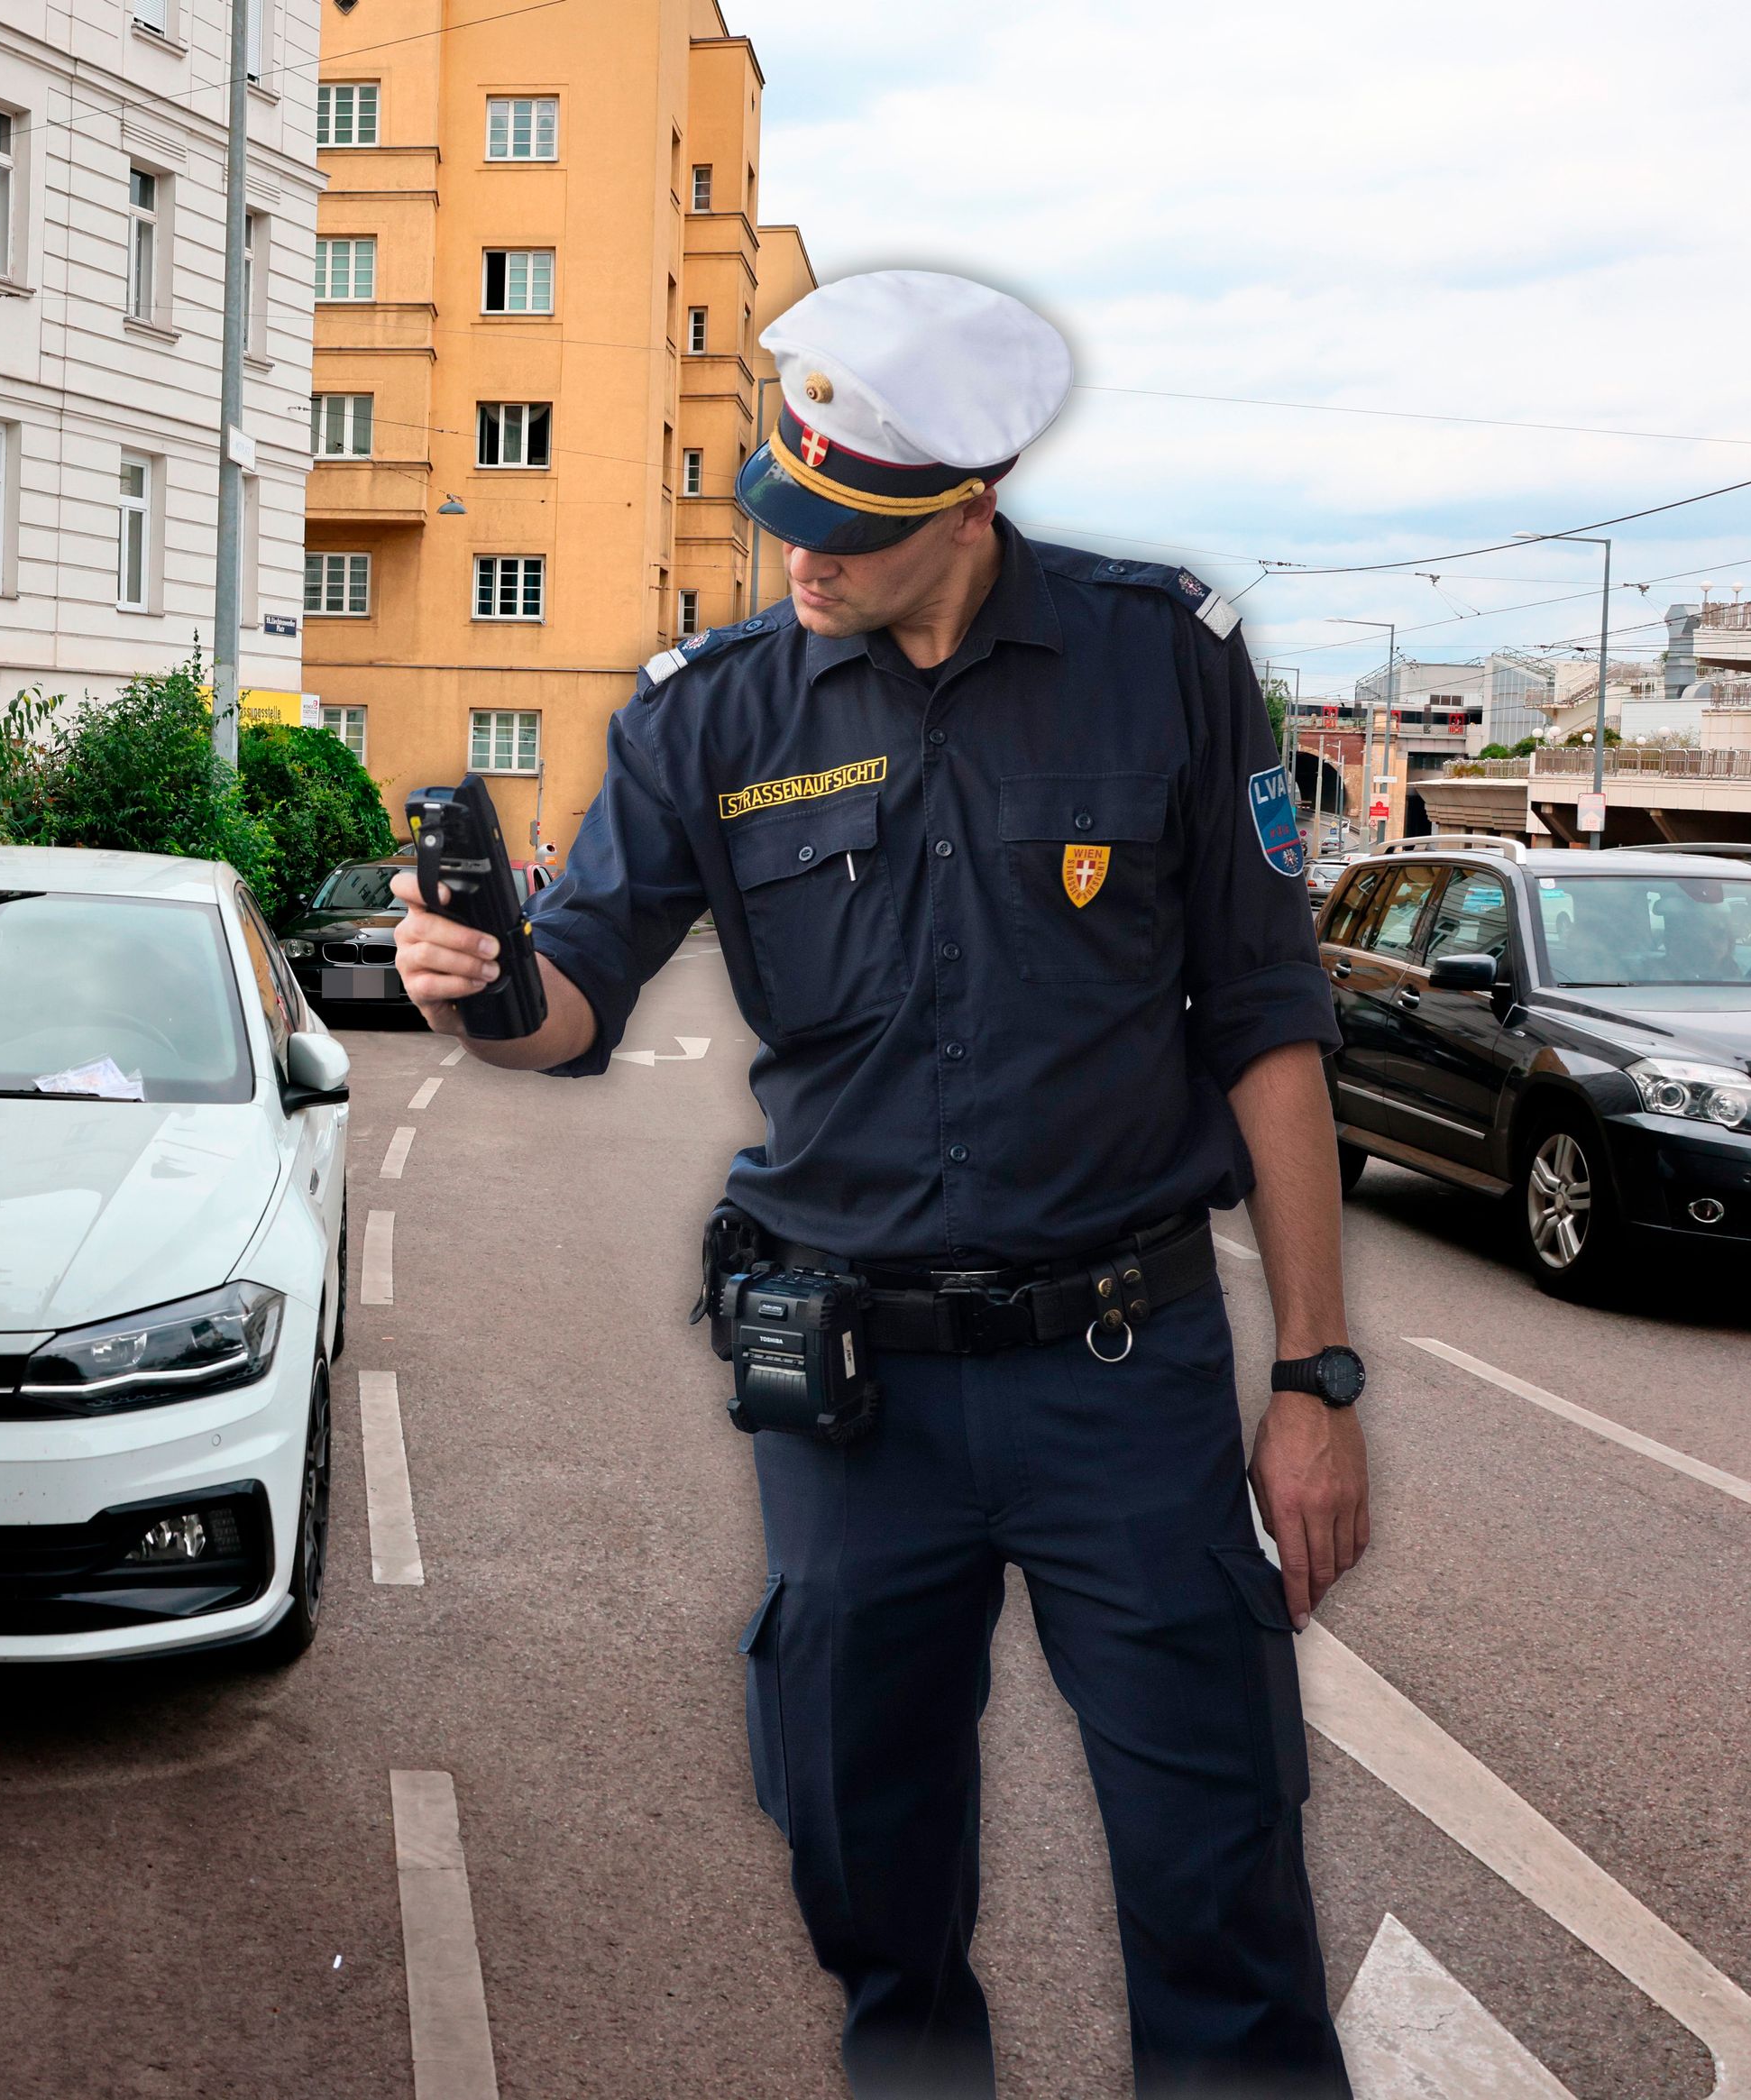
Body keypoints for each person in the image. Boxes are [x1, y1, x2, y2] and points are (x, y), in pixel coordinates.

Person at [392, 271, 1368, 2099]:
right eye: (782, 507)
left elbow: (1263, 1021)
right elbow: (581, 993)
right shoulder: (711, 711)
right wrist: (488, 990)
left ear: (968, 505)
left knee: (1214, 1878)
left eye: (843, 530)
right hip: (847, 1396)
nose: (796, 560)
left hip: (1118, 1378)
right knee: (868, 1873)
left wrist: (1311, 1380)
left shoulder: (1159, 657)